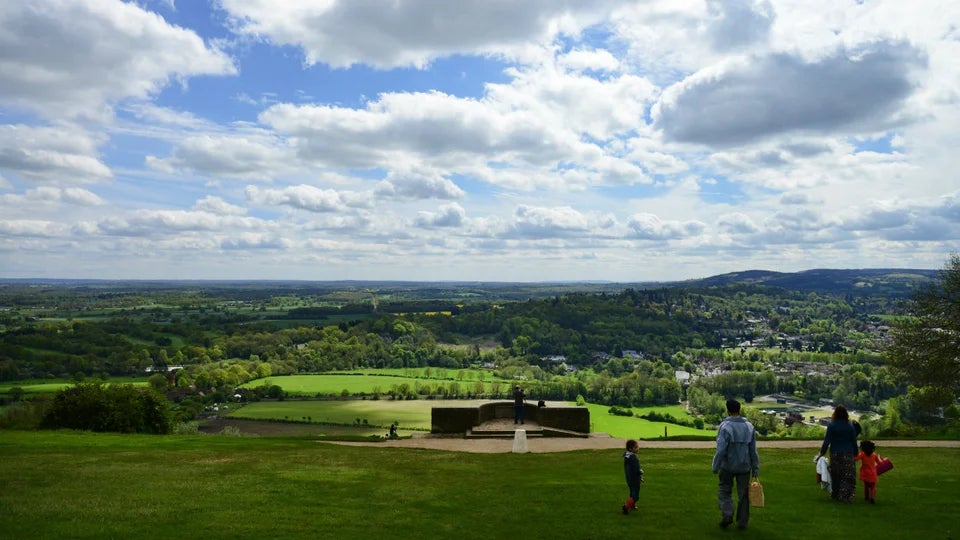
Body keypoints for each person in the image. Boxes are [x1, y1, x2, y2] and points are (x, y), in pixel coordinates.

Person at [712, 399, 760, 530]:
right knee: (743, 495)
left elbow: (721, 450)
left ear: (728, 410)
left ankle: (727, 513)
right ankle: (742, 522)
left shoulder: (725, 426)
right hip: (744, 466)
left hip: (728, 465)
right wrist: (755, 468)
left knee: (724, 490)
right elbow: (753, 451)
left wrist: (715, 466)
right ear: (739, 410)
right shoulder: (749, 427)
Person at [817, 404, 859, 503]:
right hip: (848, 453)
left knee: (836, 475)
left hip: (835, 453)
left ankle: (835, 493)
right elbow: (853, 440)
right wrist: (856, 453)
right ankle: (846, 495)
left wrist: (821, 453)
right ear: (846, 414)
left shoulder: (832, 425)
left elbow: (827, 441)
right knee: (847, 475)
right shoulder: (850, 426)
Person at [622, 439, 644, 515]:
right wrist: (640, 472)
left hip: (629, 478)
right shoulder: (633, 458)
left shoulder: (627, 456)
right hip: (634, 479)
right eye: (636, 447)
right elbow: (636, 469)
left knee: (632, 492)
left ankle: (632, 505)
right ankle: (626, 506)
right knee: (635, 496)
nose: (638, 448)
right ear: (631, 449)